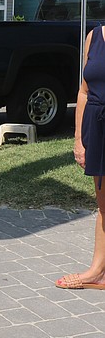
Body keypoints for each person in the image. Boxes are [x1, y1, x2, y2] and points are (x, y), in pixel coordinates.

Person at [57, 24, 105, 290]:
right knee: (104, 206)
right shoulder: (95, 36)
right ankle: (98, 272)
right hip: (96, 129)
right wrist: (79, 140)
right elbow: (84, 92)